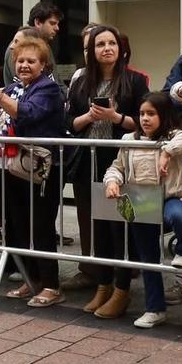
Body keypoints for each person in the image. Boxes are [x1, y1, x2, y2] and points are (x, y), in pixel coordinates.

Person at [0, 33, 66, 307]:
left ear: (43, 65)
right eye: (20, 60)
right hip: (8, 168)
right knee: (16, 226)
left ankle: (51, 285)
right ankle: (31, 279)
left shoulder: (48, 89)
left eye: (31, 61)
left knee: (41, 227)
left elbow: (26, 113)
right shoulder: (13, 88)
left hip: (39, 170)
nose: (24, 65)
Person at [66, 23, 146, 316]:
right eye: (100, 44)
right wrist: (88, 116)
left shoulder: (135, 81)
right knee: (97, 228)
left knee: (120, 227)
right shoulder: (81, 82)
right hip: (89, 161)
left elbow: (145, 121)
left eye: (111, 43)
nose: (106, 49)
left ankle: (122, 290)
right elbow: (69, 123)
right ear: (92, 51)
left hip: (121, 163)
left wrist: (116, 116)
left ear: (120, 48)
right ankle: (103, 286)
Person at [104, 93, 182, 328]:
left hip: (169, 199)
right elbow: (116, 167)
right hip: (140, 203)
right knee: (148, 258)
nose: (145, 119)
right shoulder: (129, 138)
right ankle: (155, 308)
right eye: (142, 114)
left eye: (152, 114)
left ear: (164, 115)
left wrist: (167, 151)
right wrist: (112, 181)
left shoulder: (175, 137)